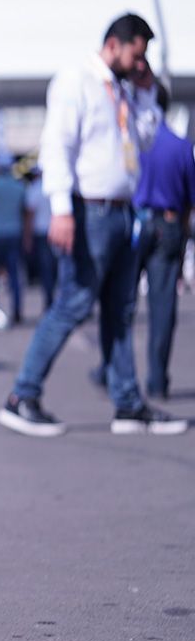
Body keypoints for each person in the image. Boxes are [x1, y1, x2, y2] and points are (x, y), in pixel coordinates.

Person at [0, 13, 186, 437]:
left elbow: (146, 139)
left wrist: (147, 92)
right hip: (89, 211)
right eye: (137, 54)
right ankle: (21, 395)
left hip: (122, 210)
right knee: (74, 302)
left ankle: (128, 403)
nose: (140, 63)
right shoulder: (77, 80)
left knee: (119, 309)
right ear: (115, 45)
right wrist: (61, 209)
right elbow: (57, 146)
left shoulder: (124, 92)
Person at [127, 78, 193, 401]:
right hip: (168, 226)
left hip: (135, 224)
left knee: (121, 302)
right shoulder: (181, 146)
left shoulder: (133, 144)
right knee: (163, 307)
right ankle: (156, 380)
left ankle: (114, 371)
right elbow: (189, 202)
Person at [0, 158, 27, 324]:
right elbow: (25, 214)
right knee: (15, 277)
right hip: (14, 235)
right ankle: (17, 311)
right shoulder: (19, 187)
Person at [23, 167, 56, 310]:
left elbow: (29, 216)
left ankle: (50, 299)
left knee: (46, 268)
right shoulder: (54, 186)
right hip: (55, 231)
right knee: (57, 268)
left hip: (42, 233)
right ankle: (56, 300)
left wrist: (27, 237)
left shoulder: (34, 189)